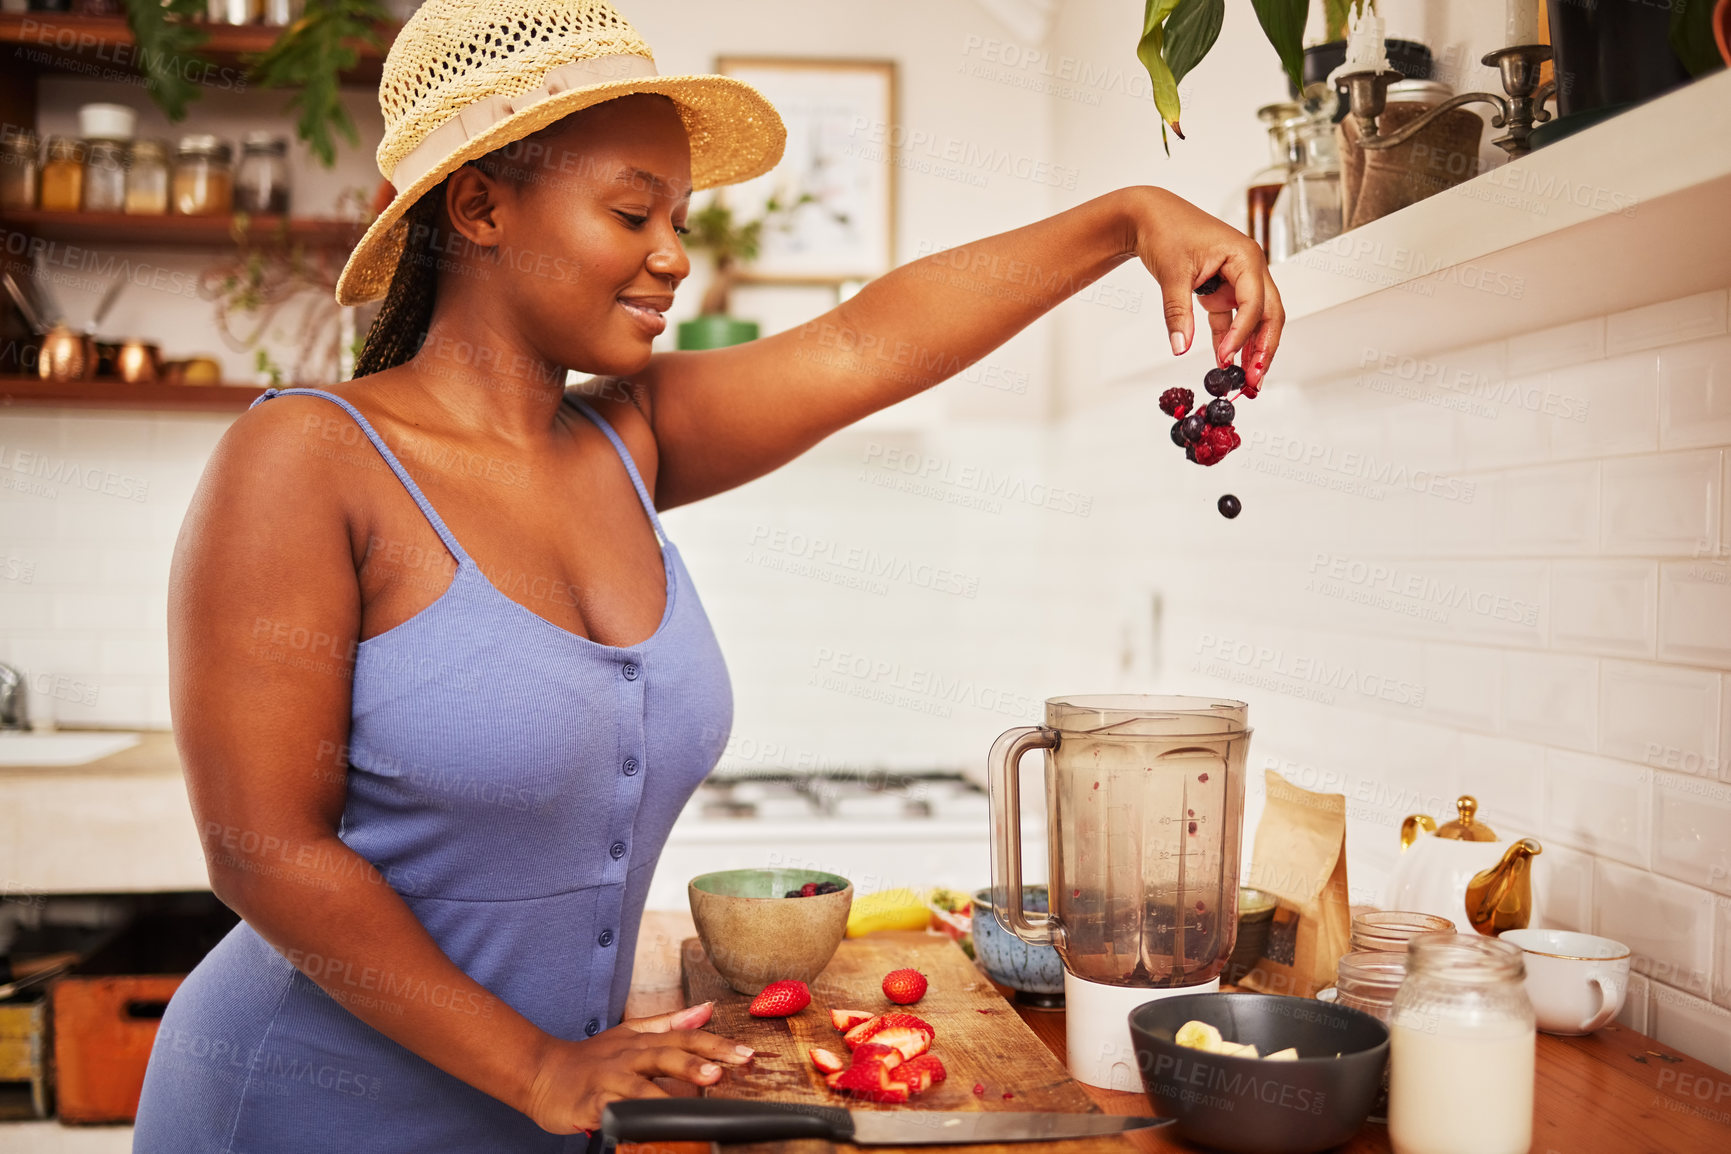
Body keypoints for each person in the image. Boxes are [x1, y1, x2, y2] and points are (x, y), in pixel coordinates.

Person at [132, 0, 1282, 1150]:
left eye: (678, 215)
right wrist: (536, 1065)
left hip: (557, 1112)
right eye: (633, 210)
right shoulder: (306, 457)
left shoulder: (627, 441)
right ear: (479, 204)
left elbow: (863, 342)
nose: (675, 254)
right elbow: (262, 847)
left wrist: (1126, 220)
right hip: (302, 1105)